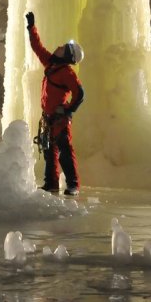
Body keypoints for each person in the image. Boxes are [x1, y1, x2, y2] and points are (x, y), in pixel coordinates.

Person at [25, 11, 85, 195]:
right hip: (49, 117)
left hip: (59, 118)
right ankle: (50, 183)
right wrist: (31, 27)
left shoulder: (67, 73)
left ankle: (73, 184)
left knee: (65, 151)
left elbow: (79, 93)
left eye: (64, 47)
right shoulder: (51, 64)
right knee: (50, 152)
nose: (60, 46)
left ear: (67, 54)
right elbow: (37, 47)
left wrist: (68, 110)